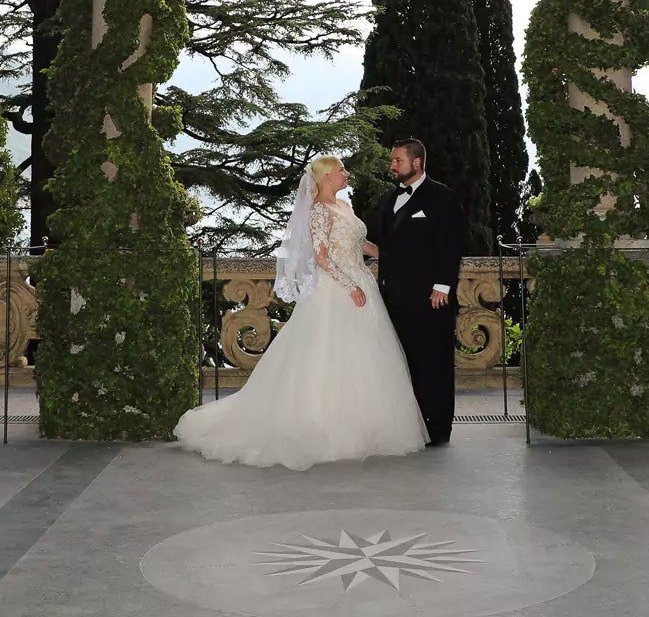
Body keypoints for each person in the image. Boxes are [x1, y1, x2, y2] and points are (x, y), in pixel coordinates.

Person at [172, 156, 426, 470]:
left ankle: (363, 425)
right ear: (329, 176)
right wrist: (350, 285)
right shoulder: (319, 210)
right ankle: (321, 426)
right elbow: (320, 256)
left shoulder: (344, 206)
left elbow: (358, 243)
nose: (347, 173)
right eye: (342, 169)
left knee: (361, 357)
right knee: (324, 355)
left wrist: (390, 254)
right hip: (336, 289)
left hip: (361, 283)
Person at [363, 138, 467, 446]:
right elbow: (379, 245)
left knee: (432, 361)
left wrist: (442, 286)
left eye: (398, 160)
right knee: (401, 362)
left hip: (430, 297)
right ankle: (410, 427)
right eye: (392, 160)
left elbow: (452, 244)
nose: (392, 165)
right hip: (392, 297)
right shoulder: (386, 200)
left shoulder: (443, 197)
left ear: (417, 162)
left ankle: (437, 428)